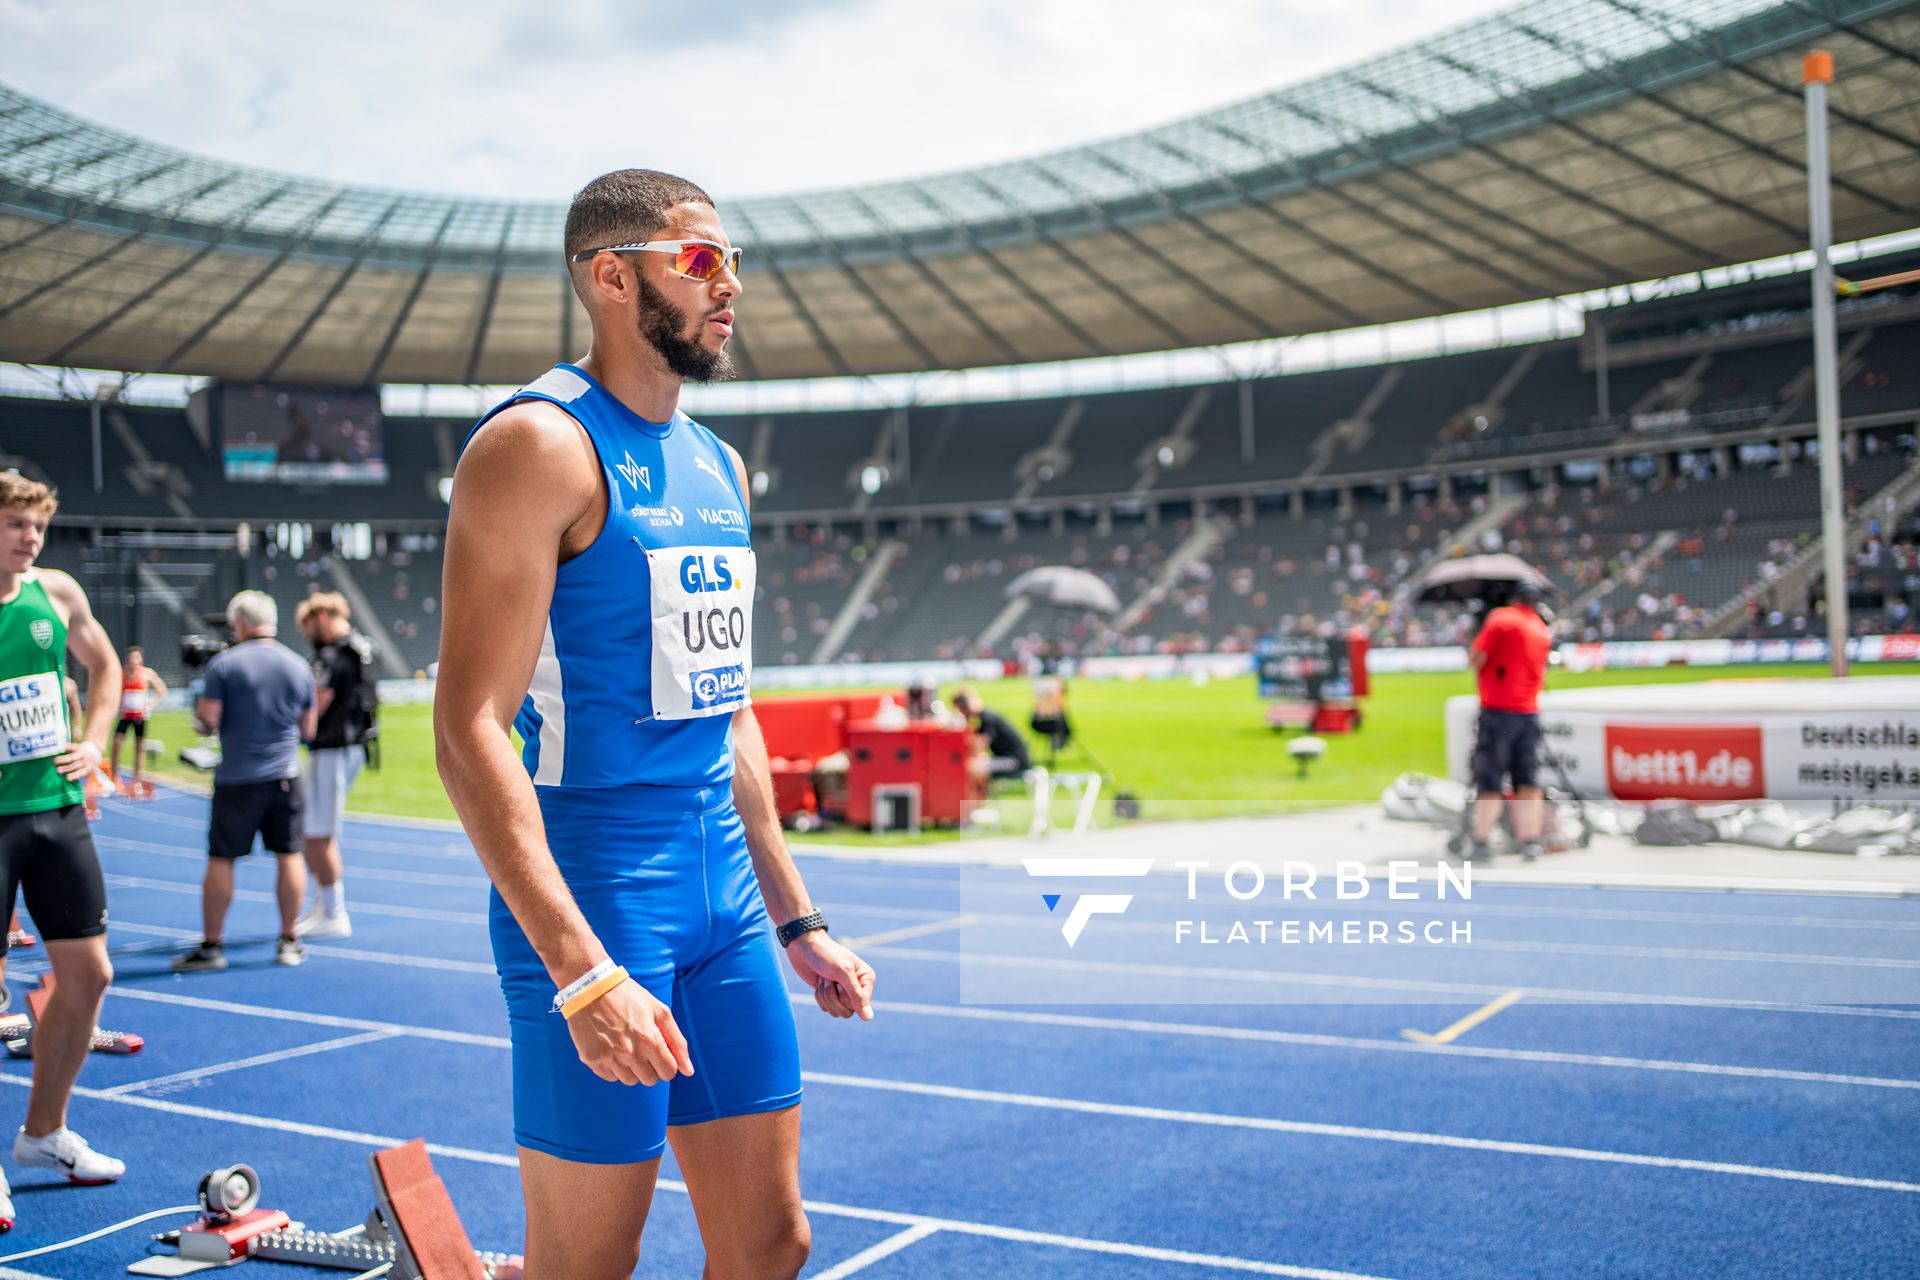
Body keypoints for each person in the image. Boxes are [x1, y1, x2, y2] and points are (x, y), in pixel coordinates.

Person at [435, 169, 875, 1280]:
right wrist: (583, 970)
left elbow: (727, 718)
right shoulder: (538, 444)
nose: (729, 284)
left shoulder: (719, 464)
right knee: (586, 1263)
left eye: (734, 260)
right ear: (612, 276)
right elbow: (468, 723)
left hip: (722, 901)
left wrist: (796, 917)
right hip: (600, 891)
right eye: (700, 259)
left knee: (773, 1242)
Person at [0, 472, 126, 1229]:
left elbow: (105, 668)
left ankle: (43, 1133)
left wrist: (95, 745)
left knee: (89, 975)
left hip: (54, 808)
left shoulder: (58, 593)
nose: (30, 537)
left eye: (37, 526)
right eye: (15, 524)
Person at [174, 591, 316, 972]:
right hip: (285, 776)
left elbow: (208, 719)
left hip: (238, 778)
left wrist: (202, 722)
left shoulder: (224, 665)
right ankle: (289, 940)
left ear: (239, 623)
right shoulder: (299, 665)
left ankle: (213, 946)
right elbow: (308, 728)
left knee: (222, 859)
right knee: (289, 856)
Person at [293, 593, 375, 939]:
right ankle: (322, 904)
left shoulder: (334, 655)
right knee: (316, 830)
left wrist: (293, 729)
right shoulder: (362, 649)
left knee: (319, 832)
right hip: (348, 747)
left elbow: (317, 702)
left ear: (322, 618)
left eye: (309, 626)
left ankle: (334, 910)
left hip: (333, 748)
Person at [1467, 579, 1553, 861]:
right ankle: (1530, 841)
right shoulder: (1542, 629)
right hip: (1529, 713)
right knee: (1528, 781)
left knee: (1489, 781)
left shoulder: (1501, 618)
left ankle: (1481, 842)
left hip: (1498, 711)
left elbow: (1477, 658)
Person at [110, 646, 165, 791]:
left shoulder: (147, 674)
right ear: (127, 659)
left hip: (140, 715)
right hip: (125, 715)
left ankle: (137, 779)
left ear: (140, 659)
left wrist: (151, 703)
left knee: (139, 746)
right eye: (131, 658)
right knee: (117, 743)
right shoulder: (121, 673)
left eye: (136, 658)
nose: (134, 661)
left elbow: (161, 689)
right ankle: (114, 777)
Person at [952, 687, 1031, 778]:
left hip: (1015, 761)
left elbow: (979, 746)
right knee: (977, 763)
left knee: (973, 767)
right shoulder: (984, 717)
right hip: (1010, 759)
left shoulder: (988, 719)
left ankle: (979, 792)